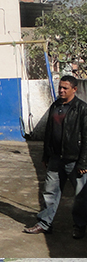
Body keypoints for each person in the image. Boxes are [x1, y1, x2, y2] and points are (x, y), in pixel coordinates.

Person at [24, 74, 87, 239]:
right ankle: (44, 224)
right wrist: (46, 155)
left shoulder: (82, 109)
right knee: (49, 193)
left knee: (81, 196)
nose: (61, 90)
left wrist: (83, 162)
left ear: (75, 89)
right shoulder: (54, 106)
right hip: (55, 159)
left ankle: (80, 226)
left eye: (65, 88)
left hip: (75, 160)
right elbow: (49, 133)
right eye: (60, 87)